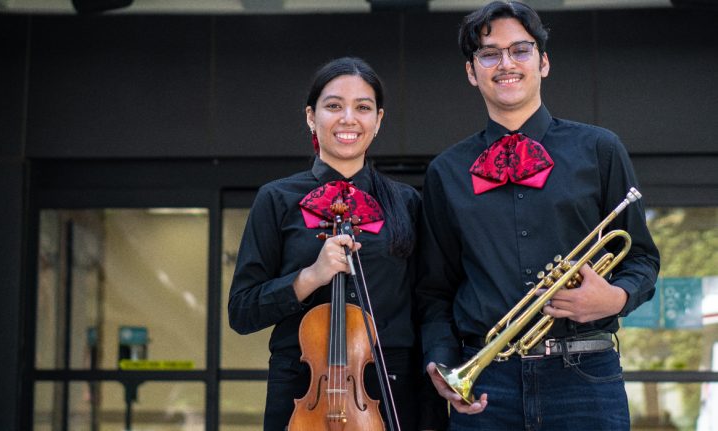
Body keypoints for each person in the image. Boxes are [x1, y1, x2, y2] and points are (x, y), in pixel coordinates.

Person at [416, 2, 660, 430]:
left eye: (520, 50)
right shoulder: (446, 172)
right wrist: (440, 361)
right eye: (489, 53)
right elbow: (435, 289)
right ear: (472, 72)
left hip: (585, 377)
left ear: (543, 63)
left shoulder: (600, 150)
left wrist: (615, 298)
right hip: (487, 383)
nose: (505, 63)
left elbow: (640, 257)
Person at [229, 57, 446, 431]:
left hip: (387, 387)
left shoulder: (406, 202)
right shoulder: (276, 199)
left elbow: (427, 304)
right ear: (311, 117)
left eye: (363, 107)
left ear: (378, 121)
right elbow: (242, 311)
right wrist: (310, 276)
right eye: (334, 106)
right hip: (302, 387)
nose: (349, 118)